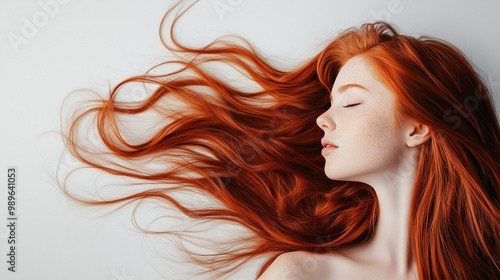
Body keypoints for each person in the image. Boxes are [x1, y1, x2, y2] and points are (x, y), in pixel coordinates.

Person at [57, 1, 500, 279]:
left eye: (350, 103)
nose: (322, 120)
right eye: (329, 104)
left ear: (419, 126)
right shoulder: (302, 275)